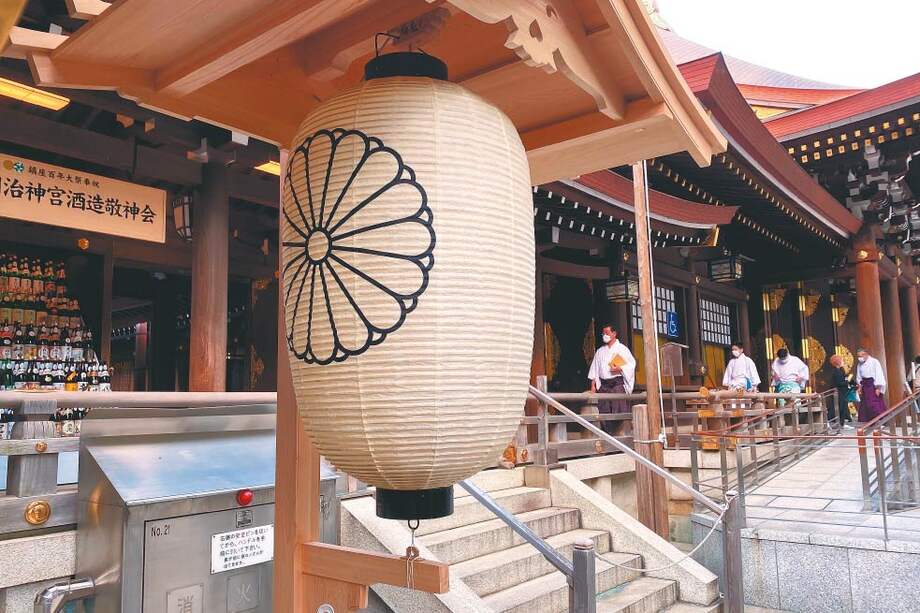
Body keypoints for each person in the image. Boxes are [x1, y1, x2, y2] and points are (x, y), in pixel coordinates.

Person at [587, 324, 636, 435]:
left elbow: (631, 365)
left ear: (614, 334)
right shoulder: (600, 351)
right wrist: (593, 386)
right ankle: (607, 435)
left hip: (617, 384)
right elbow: (594, 370)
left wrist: (620, 368)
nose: (605, 335)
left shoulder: (622, 349)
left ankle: (621, 436)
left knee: (619, 411)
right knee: (604, 411)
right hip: (604, 386)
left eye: (607, 333)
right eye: (603, 333)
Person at [856, 347, 887, 422]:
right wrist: (859, 387)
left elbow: (879, 374)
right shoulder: (859, 364)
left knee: (873, 403)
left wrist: (878, 387)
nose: (860, 358)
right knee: (865, 403)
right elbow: (859, 376)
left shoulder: (874, 362)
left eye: (861, 355)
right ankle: (867, 420)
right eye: (858, 356)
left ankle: (879, 420)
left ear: (866, 354)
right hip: (864, 385)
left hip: (872, 385)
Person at [829, 354, 854, 428]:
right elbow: (839, 383)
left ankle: (842, 423)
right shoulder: (836, 371)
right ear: (838, 362)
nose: (843, 362)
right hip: (840, 392)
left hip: (841, 392)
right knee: (840, 407)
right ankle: (840, 423)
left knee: (843, 407)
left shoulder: (839, 370)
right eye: (842, 360)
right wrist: (847, 381)